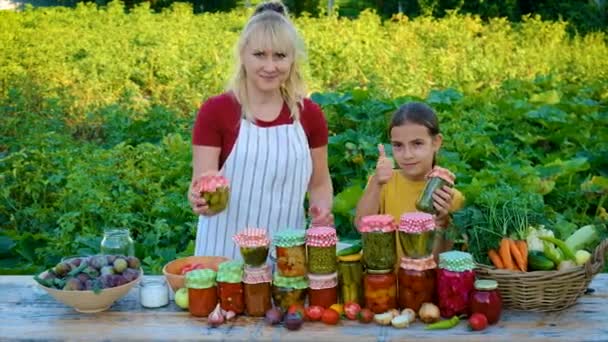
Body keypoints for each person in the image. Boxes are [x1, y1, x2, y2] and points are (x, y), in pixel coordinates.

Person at [188, 1, 333, 260]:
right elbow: (204, 182)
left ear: (292, 59)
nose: (270, 66)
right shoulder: (217, 111)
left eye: (279, 56)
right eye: (259, 55)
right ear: (243, 55)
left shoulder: (309, 115)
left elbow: (319, 183)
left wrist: (321, 212)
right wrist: (201, 202)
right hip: (223, 258)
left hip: (287, 258)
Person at [355, 102, 464, 261]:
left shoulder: (449, 197)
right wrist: (376, 183)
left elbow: (440, 259)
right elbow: (360, 225)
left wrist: (443, 221)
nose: (407, 155)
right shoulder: (383, 183)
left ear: (436, 142)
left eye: (417, 144)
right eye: (398, 145)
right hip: (384, 281)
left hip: (421, 282)